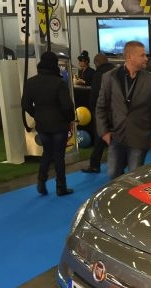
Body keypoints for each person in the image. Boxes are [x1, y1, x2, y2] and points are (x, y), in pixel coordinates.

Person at [95, 41, 151, 179]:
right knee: (113, 174)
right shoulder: (109, 77)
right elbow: (101, 107)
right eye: (142, 55)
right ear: (129, 57)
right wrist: (103, 132)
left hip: (140, 137)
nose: (146, 58)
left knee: (134, 177)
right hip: (117, 136)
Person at [21, 51, 75, 196]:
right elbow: (67, 106)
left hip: (42, 124)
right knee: (59, 156)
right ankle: (61, 187)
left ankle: (41, 181)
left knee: (47, 153)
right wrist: (70, 119)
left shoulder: (31, 82)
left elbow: (25, 104)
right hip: (59, 124)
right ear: (54, 64)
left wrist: (36, 114)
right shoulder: (59, 83)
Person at [81, 53, 115, 174]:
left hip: (103, 112)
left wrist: (95, 111)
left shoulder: (98, 75)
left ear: (97, 63)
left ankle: (95, 165)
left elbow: (95, 95)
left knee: (99, 138)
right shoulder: (117, 72)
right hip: (117, 112)